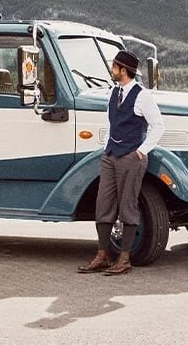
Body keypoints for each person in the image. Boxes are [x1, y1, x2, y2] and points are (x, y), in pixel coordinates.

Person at [78, 49, 165, 277]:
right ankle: (103, 255)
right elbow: (111, 123)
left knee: (128, 205)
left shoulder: (142, 96)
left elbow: (158, 125)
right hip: (111, 155)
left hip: (130, 157)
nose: (112, 70)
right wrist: (107, 148)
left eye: (114, 67)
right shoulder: (114, 93)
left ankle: (124, 258)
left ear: (123, 70)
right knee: (103, 204)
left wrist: (141, 151)